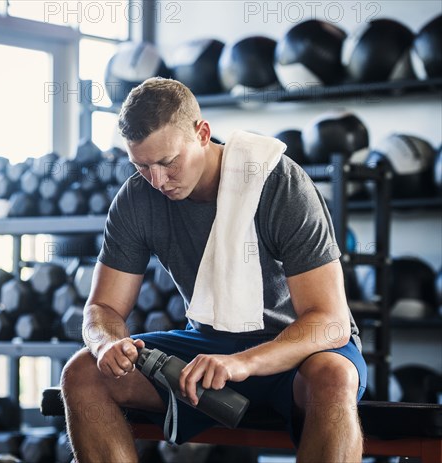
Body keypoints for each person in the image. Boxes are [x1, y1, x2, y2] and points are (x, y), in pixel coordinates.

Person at [61, 77, 367, 463]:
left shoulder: (278, 183)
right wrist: (106, 343)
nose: (157, 181)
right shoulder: (137, 199)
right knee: (83, 372)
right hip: (209, 347)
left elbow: (330, 322)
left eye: (168, 162)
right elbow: (102, 308)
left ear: (202, 133)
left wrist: (243, 363)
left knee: (334, 377)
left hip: (297, 352)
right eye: (141, 166)